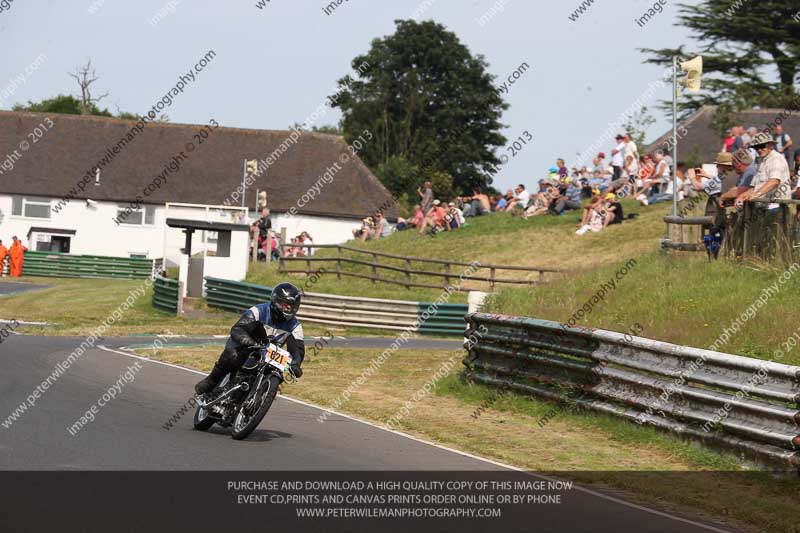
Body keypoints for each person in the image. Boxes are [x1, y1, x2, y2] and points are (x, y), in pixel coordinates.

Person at [195, 283, 305, 395]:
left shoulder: (295, 326)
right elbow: (237, 329)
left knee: (278, 373)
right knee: (233, 354)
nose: (288, 308)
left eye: (292, 306)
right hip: (248, 347)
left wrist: (295, 364)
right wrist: (248, 341)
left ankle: (257, 399)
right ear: (276, 301)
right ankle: (212, 380)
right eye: (285, 305)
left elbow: (298, 351)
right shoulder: (258, 311)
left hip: (268, 356)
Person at [735, 132, 792, 210]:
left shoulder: (776, 159)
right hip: (766, 207)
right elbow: (754, 188)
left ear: (770, 145)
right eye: (756, 147)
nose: (759, 149)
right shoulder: (761, 162)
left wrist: (756, 194)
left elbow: (774, 181)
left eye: (762, 146)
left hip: (778, 207)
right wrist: (741, 196)